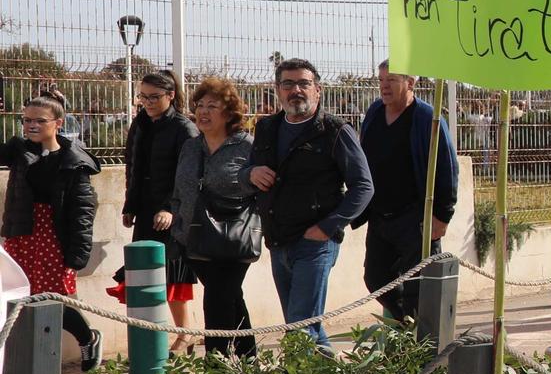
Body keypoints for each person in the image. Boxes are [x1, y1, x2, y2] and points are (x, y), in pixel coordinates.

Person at [249, 59, 374, 350]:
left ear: (317, 90)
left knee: (300, 326)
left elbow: (363, 186)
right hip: (278, 240)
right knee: (307, 326)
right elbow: (249, 171)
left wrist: (328, 227)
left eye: (304, 84)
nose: (296, 90)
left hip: (315, 243)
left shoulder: (334, 131)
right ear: (277, 90)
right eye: (288, 84)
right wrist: (250, 173)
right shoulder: (266, 128)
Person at [2, 90, 102, 373]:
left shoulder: (73, 162)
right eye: (26, 120)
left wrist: (77, 254)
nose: (31, 126)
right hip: (22, 232)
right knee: (20, 297)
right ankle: (28, 364)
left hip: (53, 237)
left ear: (58, 123)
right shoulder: (18, 151)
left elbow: (83, 211)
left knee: (54, 297)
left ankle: (87, 338)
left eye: (39, 121)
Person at [356, 63, 457, 324]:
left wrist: (442, 217)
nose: (384, 86)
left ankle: (421, 347)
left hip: (415, 217)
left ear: (410, 83)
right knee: (376, 279)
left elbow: (446, 169)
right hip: (380, 215)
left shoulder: (427, 118)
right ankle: (406, 323)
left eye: (391, 79)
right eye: (380, 80)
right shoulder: (375, 112)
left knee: (419, 286)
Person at [172, 76, 260, 357]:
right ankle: (248, 359)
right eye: (200, 105)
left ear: (229, 112)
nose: (203, 111)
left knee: (217, 300)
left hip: (234, 238)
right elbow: (178, 189)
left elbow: (262, 188)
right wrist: (177, 219)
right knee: (231, 298)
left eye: (212, 105)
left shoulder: (247, 146)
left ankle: (216, 365)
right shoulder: (190, 146)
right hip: (193, 237)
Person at [122, 69, 199, 350]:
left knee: (173, 275)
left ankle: (185, 332)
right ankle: (157, 336)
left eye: (154, 97)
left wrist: (170, 209)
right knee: (145, 274)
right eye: (143, 97)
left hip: (173, 214)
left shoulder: (183, 128)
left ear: (171, 95)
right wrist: (130, 205)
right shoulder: (140, 124)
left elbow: (187, 175)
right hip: (144, 210)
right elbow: (132, 166)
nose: (148, 102)